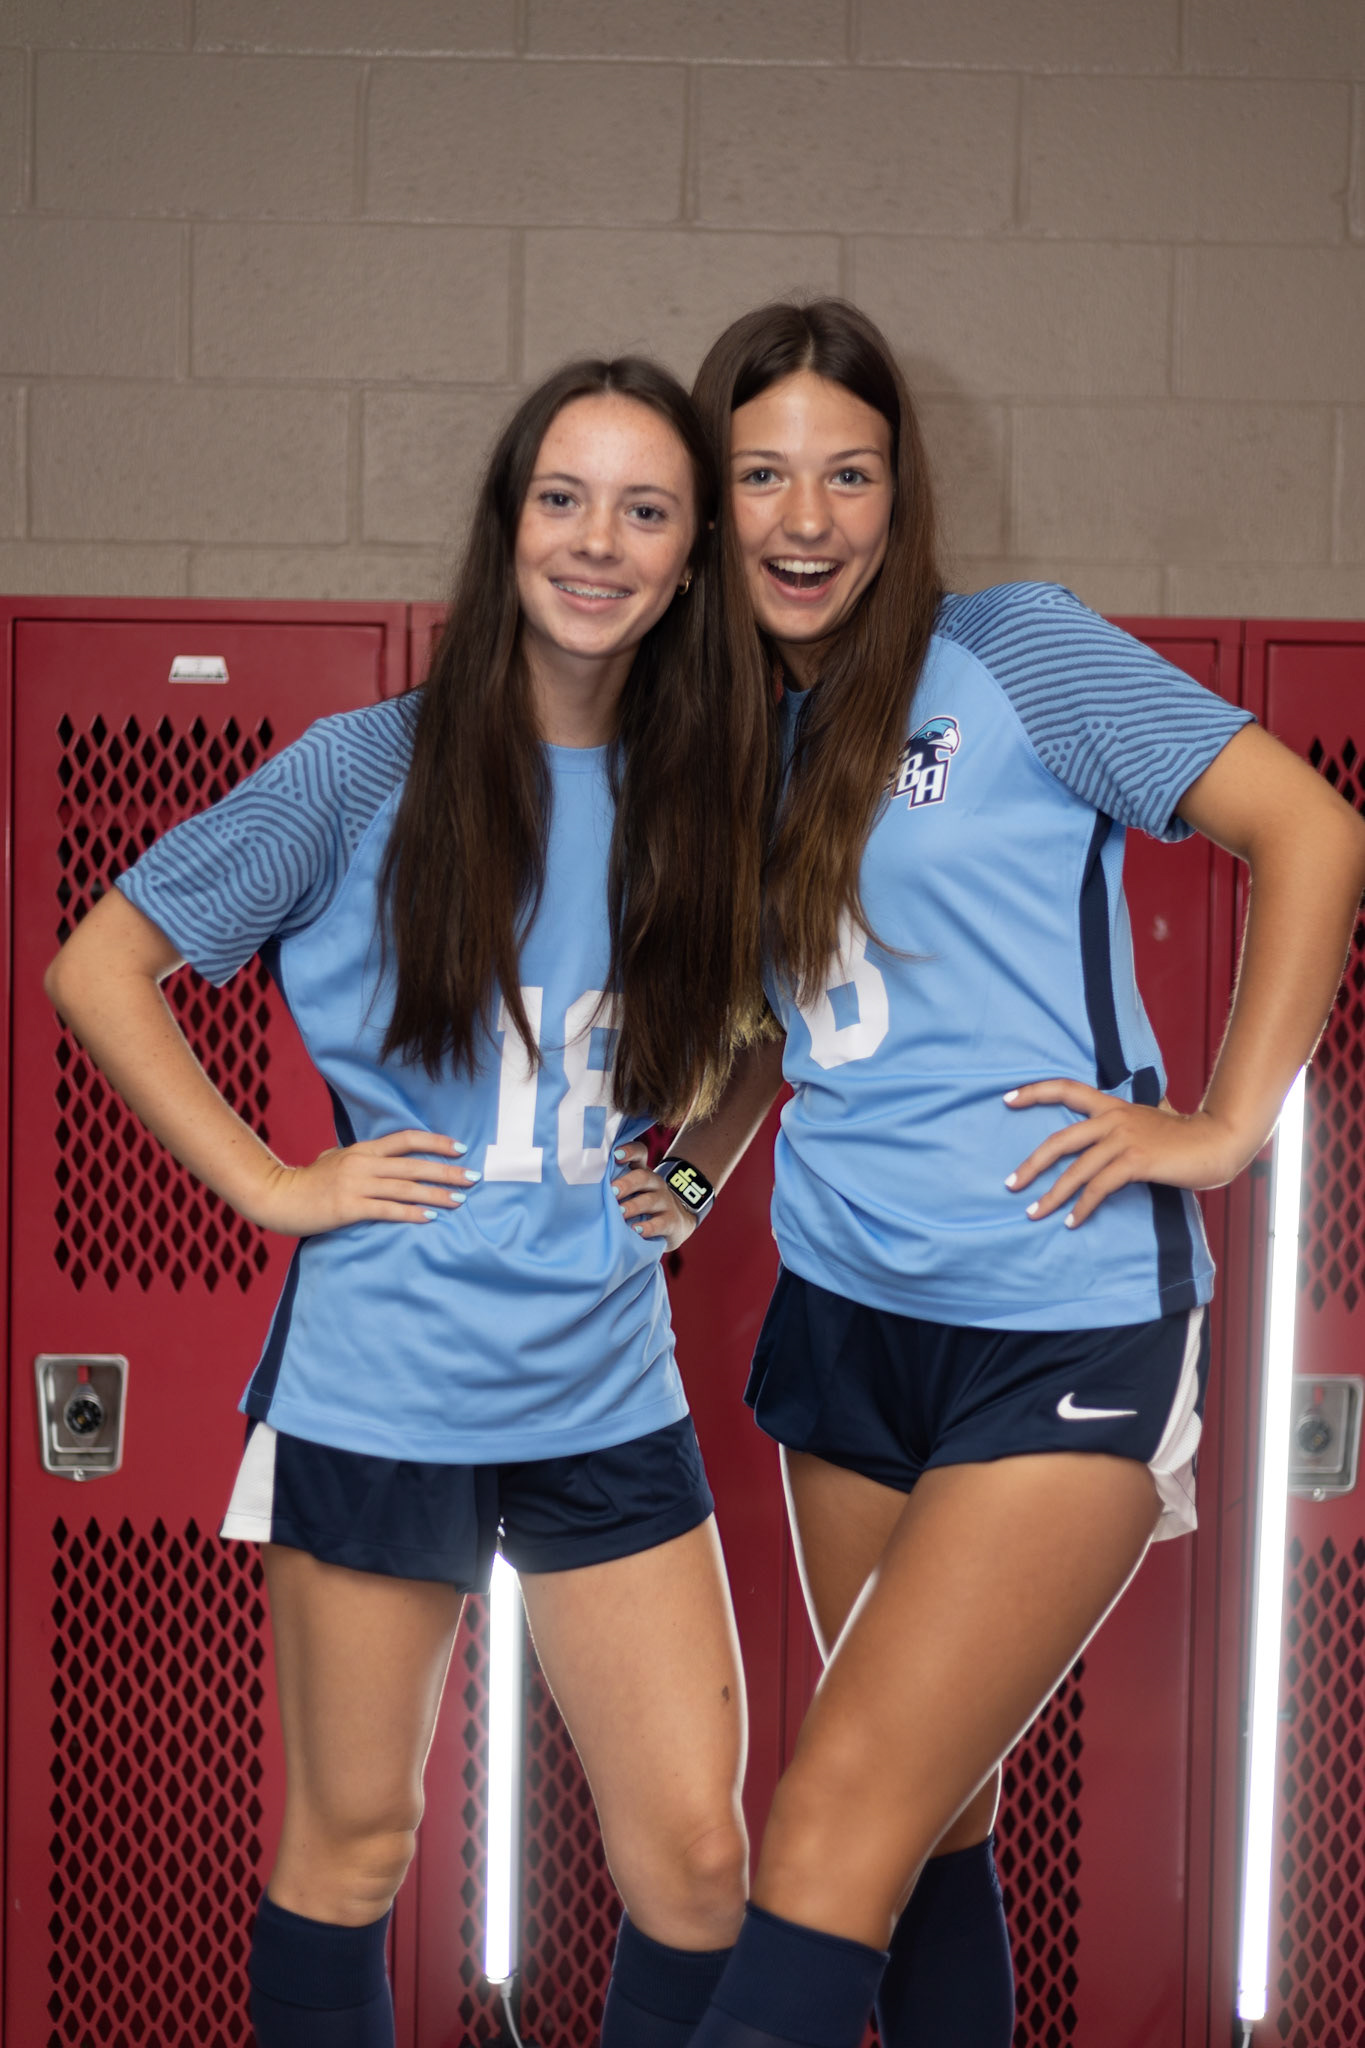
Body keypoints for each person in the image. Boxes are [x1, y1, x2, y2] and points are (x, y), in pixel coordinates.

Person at [610, 299, 1365, 2048]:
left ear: (903, 491)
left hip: (1060, 1318)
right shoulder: (722, 734)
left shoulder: (1017, 654)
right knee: (932, 1824)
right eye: (761, 475)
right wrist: (697, 1166)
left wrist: (1226, 1125)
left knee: (829, 1822)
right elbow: (795, 1014)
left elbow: (1312, 830)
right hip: (846, 1317)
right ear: (711, 501)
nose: (808, 518)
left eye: (851, 473)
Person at [45, 357, 772, 2048]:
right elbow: (100, 965)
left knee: (695, 1863)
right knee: (356, 1843)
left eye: (644, 512)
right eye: (562, 499)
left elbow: (767, 1032)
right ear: (507, 523)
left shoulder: (711, 794)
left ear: (687, 564)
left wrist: (685, 1176)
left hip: (606, 1389)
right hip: (384, 1392)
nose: (596, 543)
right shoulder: (361, 770)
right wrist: (273, 1183)